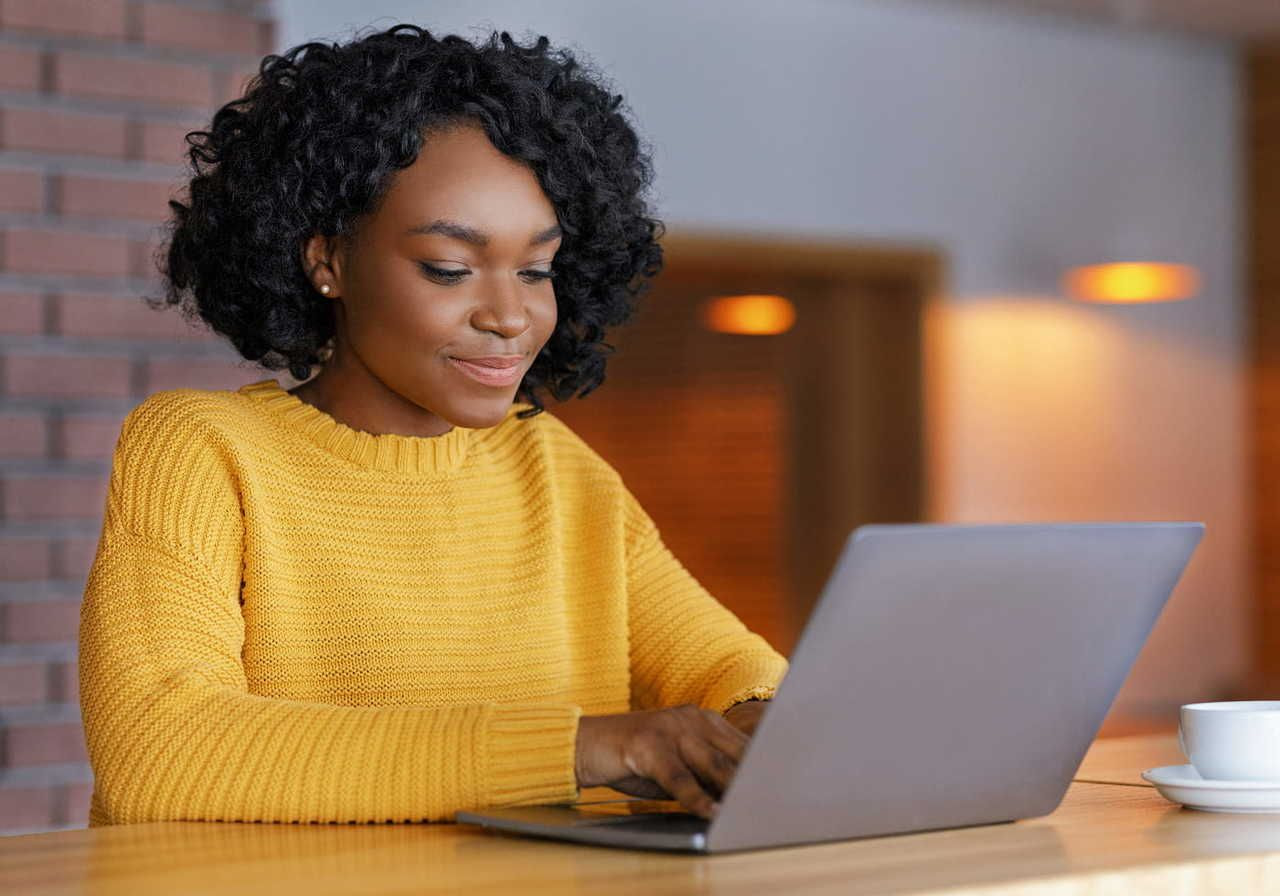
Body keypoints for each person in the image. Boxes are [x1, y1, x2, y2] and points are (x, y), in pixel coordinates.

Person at [78, 23, 787, 828]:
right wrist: (585, 747)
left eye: (536, 270)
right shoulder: (202, 452)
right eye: (450, 269)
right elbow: (162, 751)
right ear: (328, 262)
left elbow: (728, 665)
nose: (511, 316)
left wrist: (762, 718)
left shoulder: (555, 468)